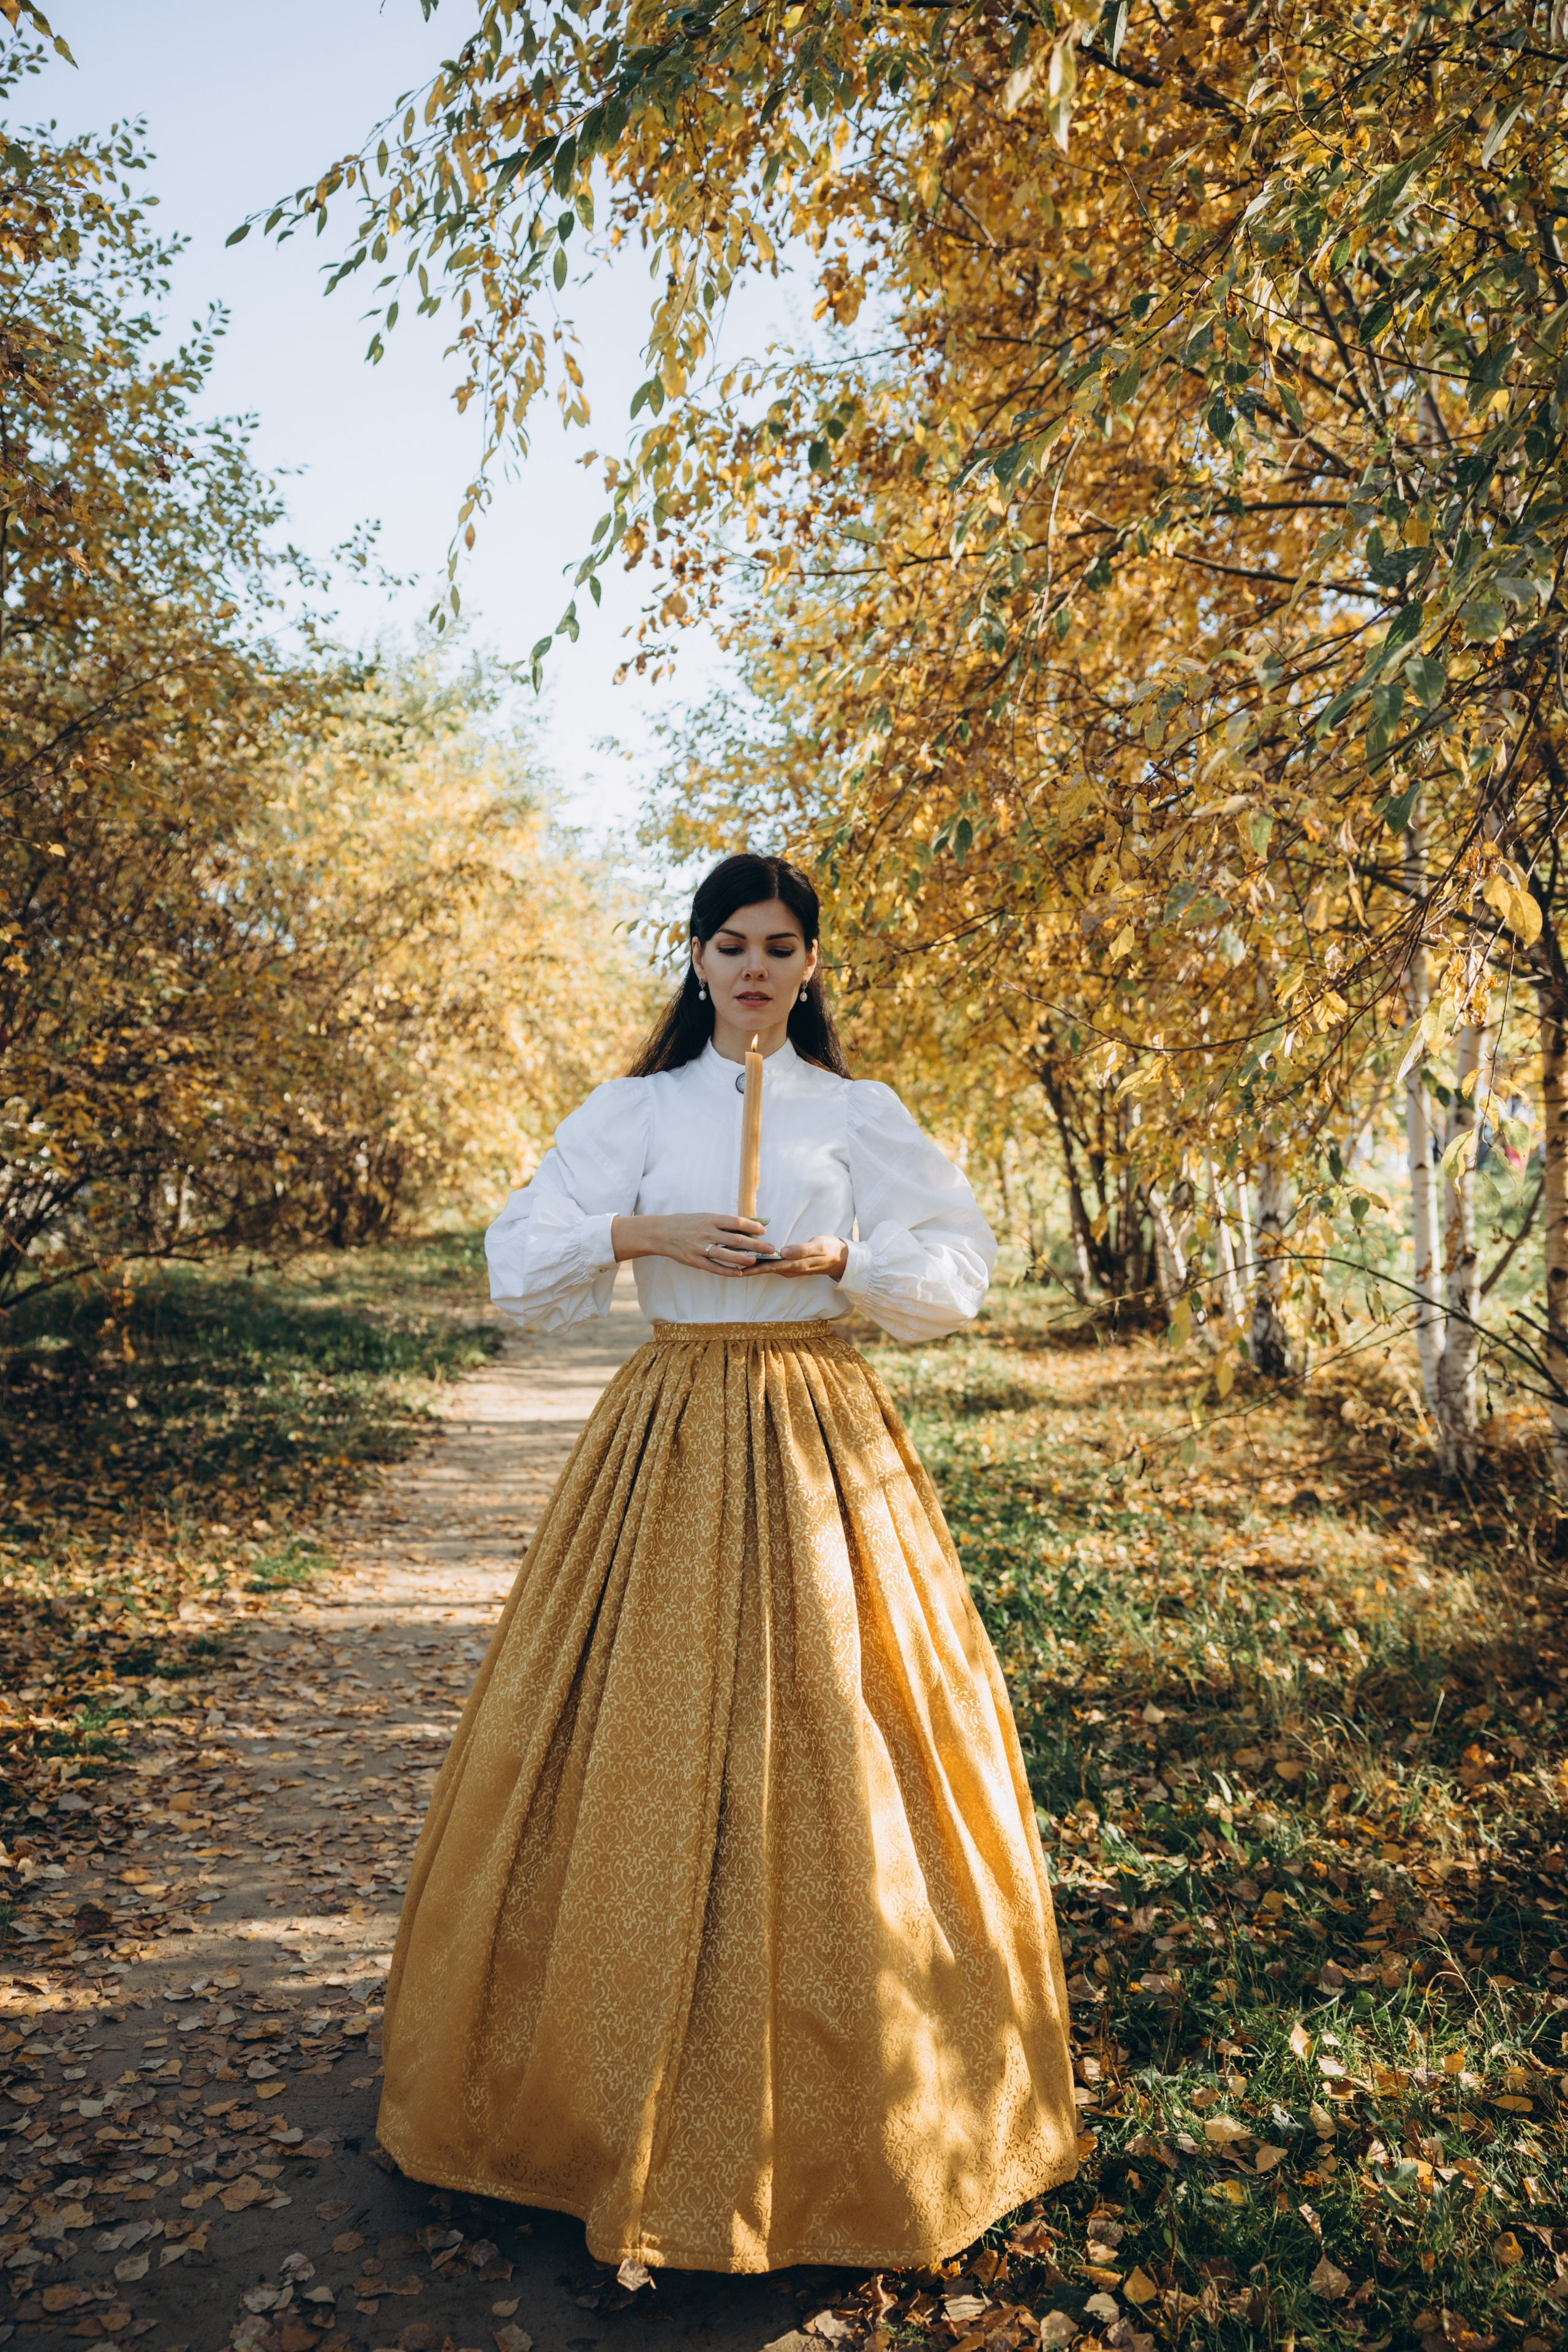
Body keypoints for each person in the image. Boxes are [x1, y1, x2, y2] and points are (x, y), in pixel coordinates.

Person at [377, 851, 1076, 2276]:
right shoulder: (636, 1111)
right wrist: (647, 1230)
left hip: (817, 1425)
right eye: (729, 945)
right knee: (633, 1727)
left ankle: (860, 2129)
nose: (754, 968)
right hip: (669, 1423)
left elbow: (954, 1268)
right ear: (695, 961)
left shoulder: (854, 1113)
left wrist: (837, 1258)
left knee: (836, 1722)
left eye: (779, 946)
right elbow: (517, 1258)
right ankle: (580, 2112)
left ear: (809, 966)